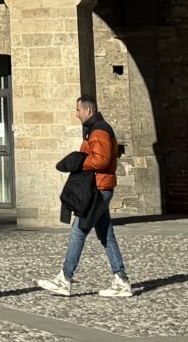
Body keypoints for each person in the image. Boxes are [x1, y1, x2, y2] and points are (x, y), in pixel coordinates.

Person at [38, 98, 132, 299]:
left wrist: (79, 161)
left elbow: (101, 160)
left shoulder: (99, 130)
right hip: (101, 187)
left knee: (78, 231)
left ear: (89, 110)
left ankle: (65, 278)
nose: (76, 113)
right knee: (106, 235)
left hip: (98, 189)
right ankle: (121, 280)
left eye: (78, 109)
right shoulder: (96, 129)